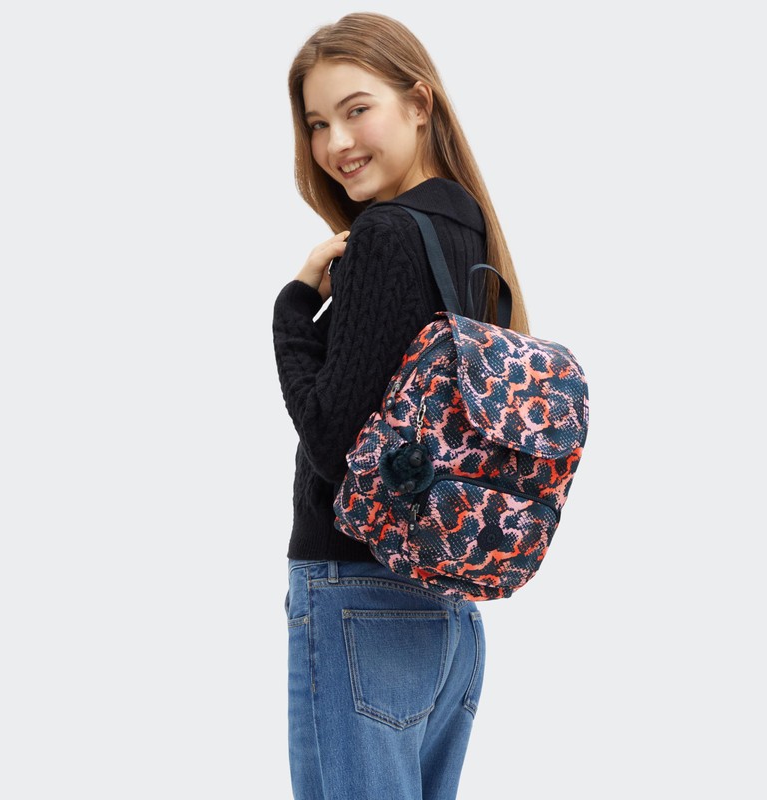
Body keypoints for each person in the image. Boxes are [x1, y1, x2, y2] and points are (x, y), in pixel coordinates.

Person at [271, 12, 530, 800]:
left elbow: (335, 445)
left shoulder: (384, 236)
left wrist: (293, 309)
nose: (336, 143)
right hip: (447, 613)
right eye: (318, 123)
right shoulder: (466, 227)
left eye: (357, 110)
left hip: (359, 599)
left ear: (419, 103)